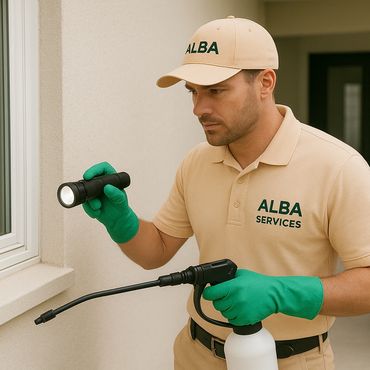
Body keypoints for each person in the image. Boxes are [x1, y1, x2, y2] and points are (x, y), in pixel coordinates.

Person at [82, 16, 370, 370]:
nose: (198, 108)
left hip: (292, 360)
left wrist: (281, 293)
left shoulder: (338, 167)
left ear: (265, 82)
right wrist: (121, 221)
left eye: (215, 91)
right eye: (193, 91)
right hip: (196, 354)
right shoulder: (197, 162)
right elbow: (155, 250)